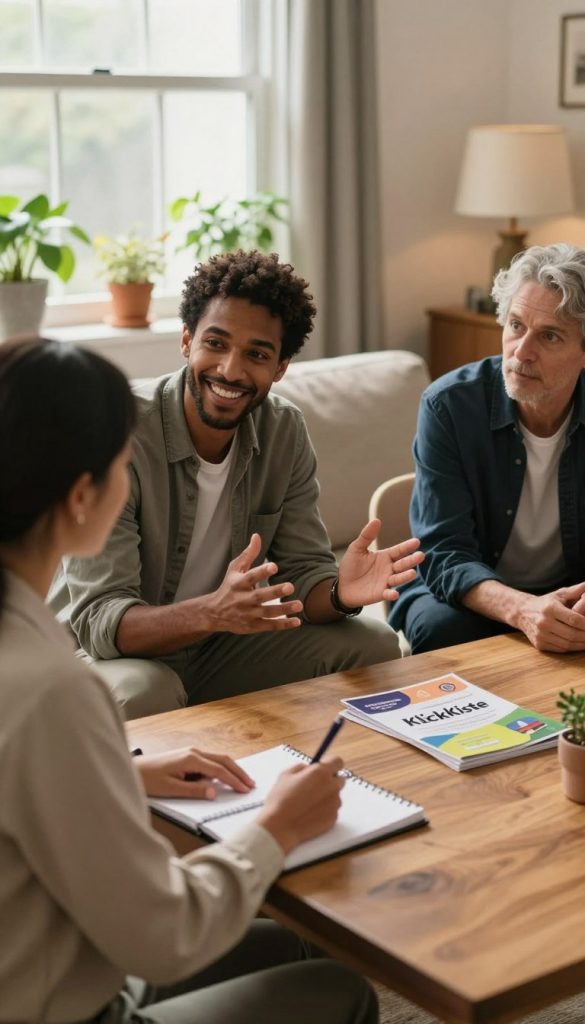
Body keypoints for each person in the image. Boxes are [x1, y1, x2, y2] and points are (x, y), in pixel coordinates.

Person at [0, 337, 379, 1024]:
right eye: (121, 463)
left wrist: (119, 768)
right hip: (70, 1004)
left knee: (293, 945)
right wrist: (276, 826)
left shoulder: (23, 653)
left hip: (47, 966)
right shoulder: (53, 688)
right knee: (342, 992)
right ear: (84, 497)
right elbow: (165, 937)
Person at [50, 250, 423, 719]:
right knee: (148, 688)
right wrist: (213, 611)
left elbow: (303, 574)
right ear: (187, 341)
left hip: (217, 647)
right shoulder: (117, 432)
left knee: (371, 642)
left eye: (257, 354)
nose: (230, 370)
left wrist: (339, 594)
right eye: (216, 344)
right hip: (106, 657)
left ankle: (337, 781)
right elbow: (100, 621)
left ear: (281, 367)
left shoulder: (284, 431)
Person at [391, 242, 585, 655]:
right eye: (515, 325)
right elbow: (444, 552)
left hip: (569, 588)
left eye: (549, 336)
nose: (522, 352)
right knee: (440, 630)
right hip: (464, 589)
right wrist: (523, 610)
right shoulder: (449, 406)